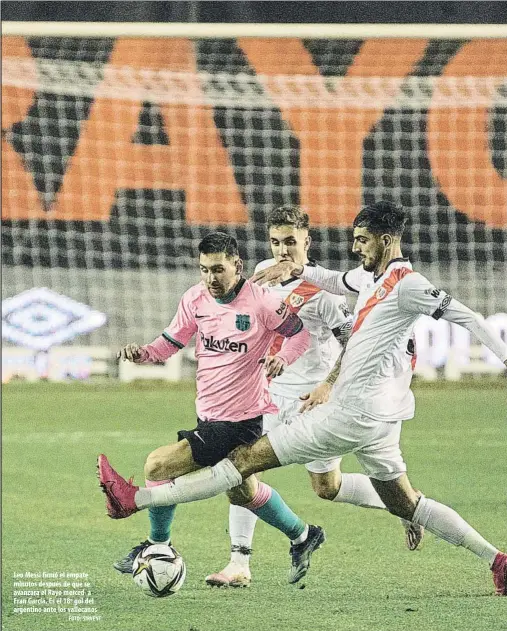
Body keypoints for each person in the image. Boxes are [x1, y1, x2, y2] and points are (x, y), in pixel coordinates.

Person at [98, 202, 507, 595]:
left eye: (362, 240)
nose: (354, 247)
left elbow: (465, 317)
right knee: (383, 497)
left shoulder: (408, 285)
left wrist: (328, 379)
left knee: (240, 462)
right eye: (276, 242)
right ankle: (497, 561)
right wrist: (297, 269)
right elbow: (332, 279)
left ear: (385, 240)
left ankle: (141, 500)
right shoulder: (365, 279)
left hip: (340, 412)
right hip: (378, 417)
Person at [205, 205, 422, 589]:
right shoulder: (259, 276)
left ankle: (405, 504)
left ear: (308, 241)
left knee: (327, 488)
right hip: (267, 396)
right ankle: (239, 562)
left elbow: (352, 342)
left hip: (314, 402)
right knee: (239, 467)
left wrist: (329, 385)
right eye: (275, 242)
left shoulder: (324, 291)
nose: (282, 250)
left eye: (290, 241)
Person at [110, 231, 326, 584]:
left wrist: (283, 357)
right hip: (208, 414)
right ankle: (304, 535)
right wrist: (144, 354)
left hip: (240, 421)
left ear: (238, 266)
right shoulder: (195, 299)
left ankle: (156, 545)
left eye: (218, 269)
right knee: (243, 491)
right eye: (204, 270)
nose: (211, 278)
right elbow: (171, 341)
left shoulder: (263, 302)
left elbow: (300, 334)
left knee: (158, 464)